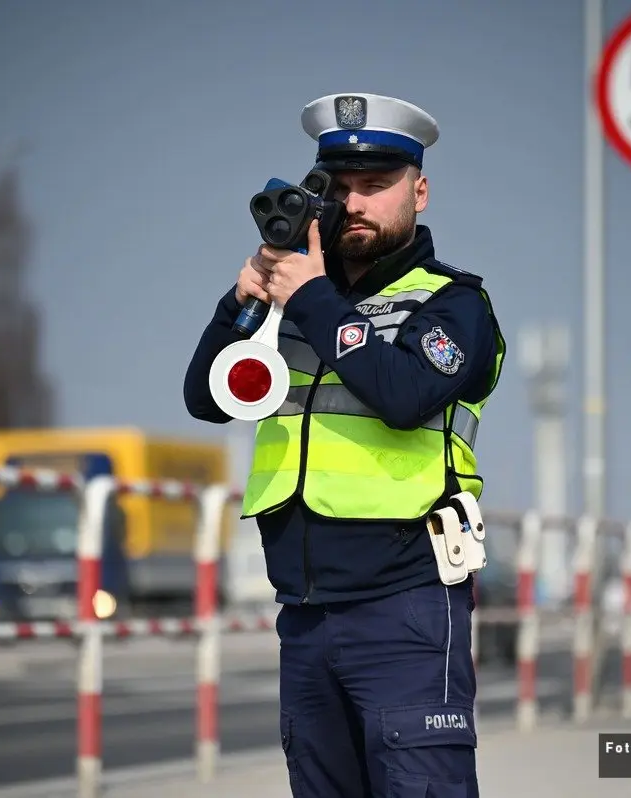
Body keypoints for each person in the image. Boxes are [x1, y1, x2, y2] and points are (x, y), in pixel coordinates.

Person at [183, 92, 506, 798]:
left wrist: (310, 299)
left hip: (406, 607)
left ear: (418, 191)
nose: (353, 203)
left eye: (375, 185)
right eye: (338, 186)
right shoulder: (293, 300)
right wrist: (242, 302)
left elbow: (402, 394)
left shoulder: (453, 304)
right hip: (303, 613)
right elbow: (206, 398)